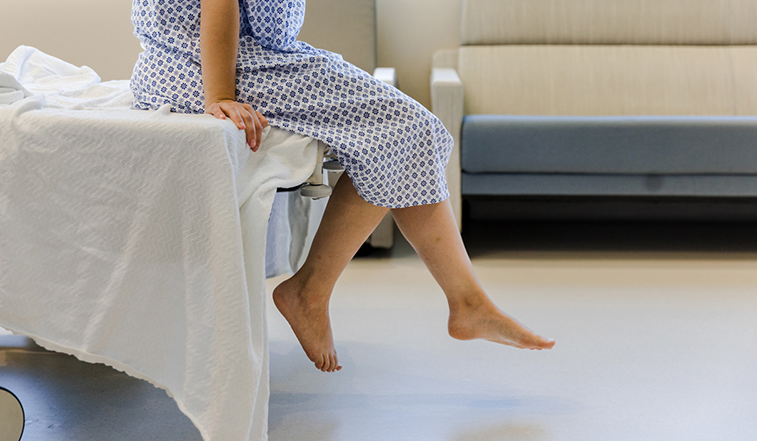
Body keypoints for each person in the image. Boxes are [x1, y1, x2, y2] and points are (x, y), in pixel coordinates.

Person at [130, 0, 555, 373]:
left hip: (234, 58)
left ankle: (465, 303)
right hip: (204, 65)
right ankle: (315, 293)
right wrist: (220, 95)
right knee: (407, 129)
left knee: (410, 133)